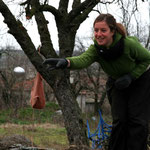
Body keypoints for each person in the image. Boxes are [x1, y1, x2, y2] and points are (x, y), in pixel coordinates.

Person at [43, 13, 150, 150]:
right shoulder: (96, 49)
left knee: (137, 121)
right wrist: (66, 62)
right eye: (96, 30)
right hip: (117, 82)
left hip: (141, 79)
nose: (99, 34)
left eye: (103, 30)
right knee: (120, 121)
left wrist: (131, 76)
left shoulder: (128, 44)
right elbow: (83, 59)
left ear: (112, 31)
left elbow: (148, 59)